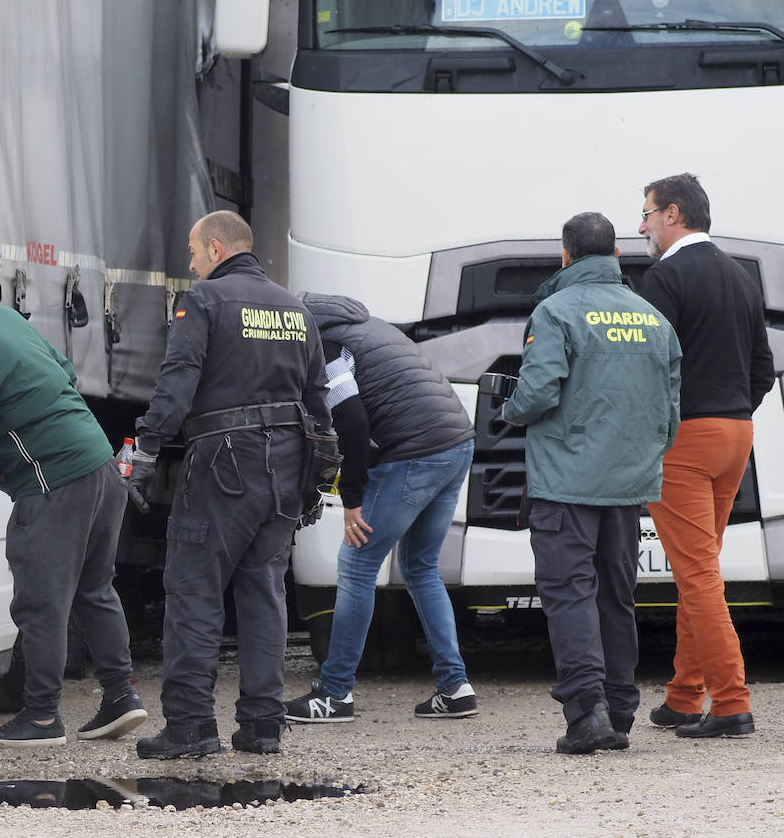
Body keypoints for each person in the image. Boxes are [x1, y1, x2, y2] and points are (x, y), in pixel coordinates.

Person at [126, 210, 333, 759]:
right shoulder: (296, 308)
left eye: (194, 252)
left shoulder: (203, 301)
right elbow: (319, 399)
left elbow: (178, 380)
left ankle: (191, 725)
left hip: (224, 463)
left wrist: (146, 448)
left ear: (216, 248)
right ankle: (263, 726)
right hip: (287, 467)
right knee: (264, 593)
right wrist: (314, 476)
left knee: (194, 591)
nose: (191, 264)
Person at [0, 282, 146, 748]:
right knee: (94, 590)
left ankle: (40, 719)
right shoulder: (2, 318)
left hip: (53, 482)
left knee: (42, 603)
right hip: (99, 463)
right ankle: (121, 695)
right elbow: (66, 372)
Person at [502, 211, 681, 754]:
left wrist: (509, 409)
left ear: (565, 256)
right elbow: (671, 413)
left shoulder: (554, 311)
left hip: (565, 484)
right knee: (615, 597)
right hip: (628, 486)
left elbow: (536, 395)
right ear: (617, 257)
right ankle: (620, 709)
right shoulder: (654, 319)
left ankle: (587, 713)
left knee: (569, 593)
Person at [285, 294, 478, 725]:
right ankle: (454, 687)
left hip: (415, 452)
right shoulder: (370, 329)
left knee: (356, 567)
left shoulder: (328, 346)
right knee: (421, 566)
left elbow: (353, 422)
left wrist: (351, 500)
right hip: (457, 442)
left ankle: (334, 694)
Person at [637, 173, 774, 739]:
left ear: (673, 214)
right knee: (703, 569)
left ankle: (732, 702)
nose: (641, 226)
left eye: (646, 214)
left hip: (685, 441)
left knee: (696, 576)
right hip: (736, 433)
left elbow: (648, 368)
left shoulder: (663, 277)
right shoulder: (742, 276)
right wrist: (733, 410)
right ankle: (684, 695)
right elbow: (763, 368)